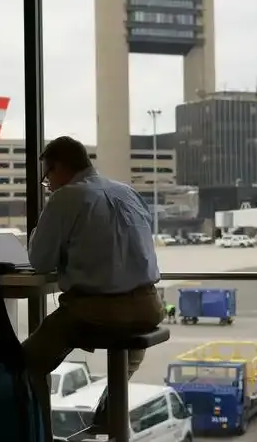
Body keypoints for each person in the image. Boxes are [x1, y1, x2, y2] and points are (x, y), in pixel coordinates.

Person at [23, 136, 163, 441]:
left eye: (47, 177)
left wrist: (40, 232)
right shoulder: (127, 191)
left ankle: (37, 433)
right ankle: (108, 416)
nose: (48, 185)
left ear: (60, 168)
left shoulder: (66, 198)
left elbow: (40, 260)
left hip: (97, 311)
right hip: (149, 307)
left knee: (25, 363)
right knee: (128, 351)